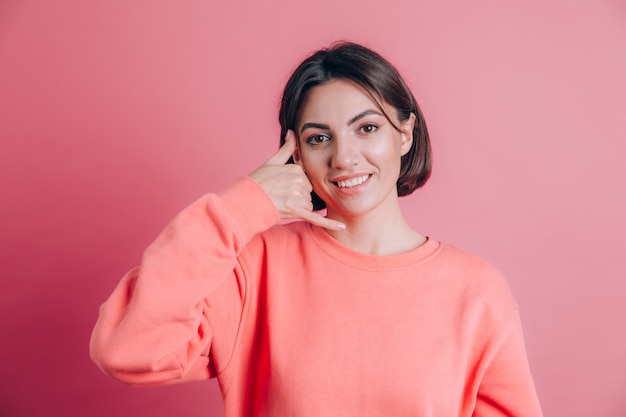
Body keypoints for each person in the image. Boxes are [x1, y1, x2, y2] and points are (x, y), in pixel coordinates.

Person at [90, 41, 543, 416]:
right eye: (319, 138)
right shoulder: (255, 267)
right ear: (295, 153)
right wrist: (243, 205)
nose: (344, 157)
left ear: (404, 133)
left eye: (366, 128)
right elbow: (126, 349)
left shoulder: (477, 291)